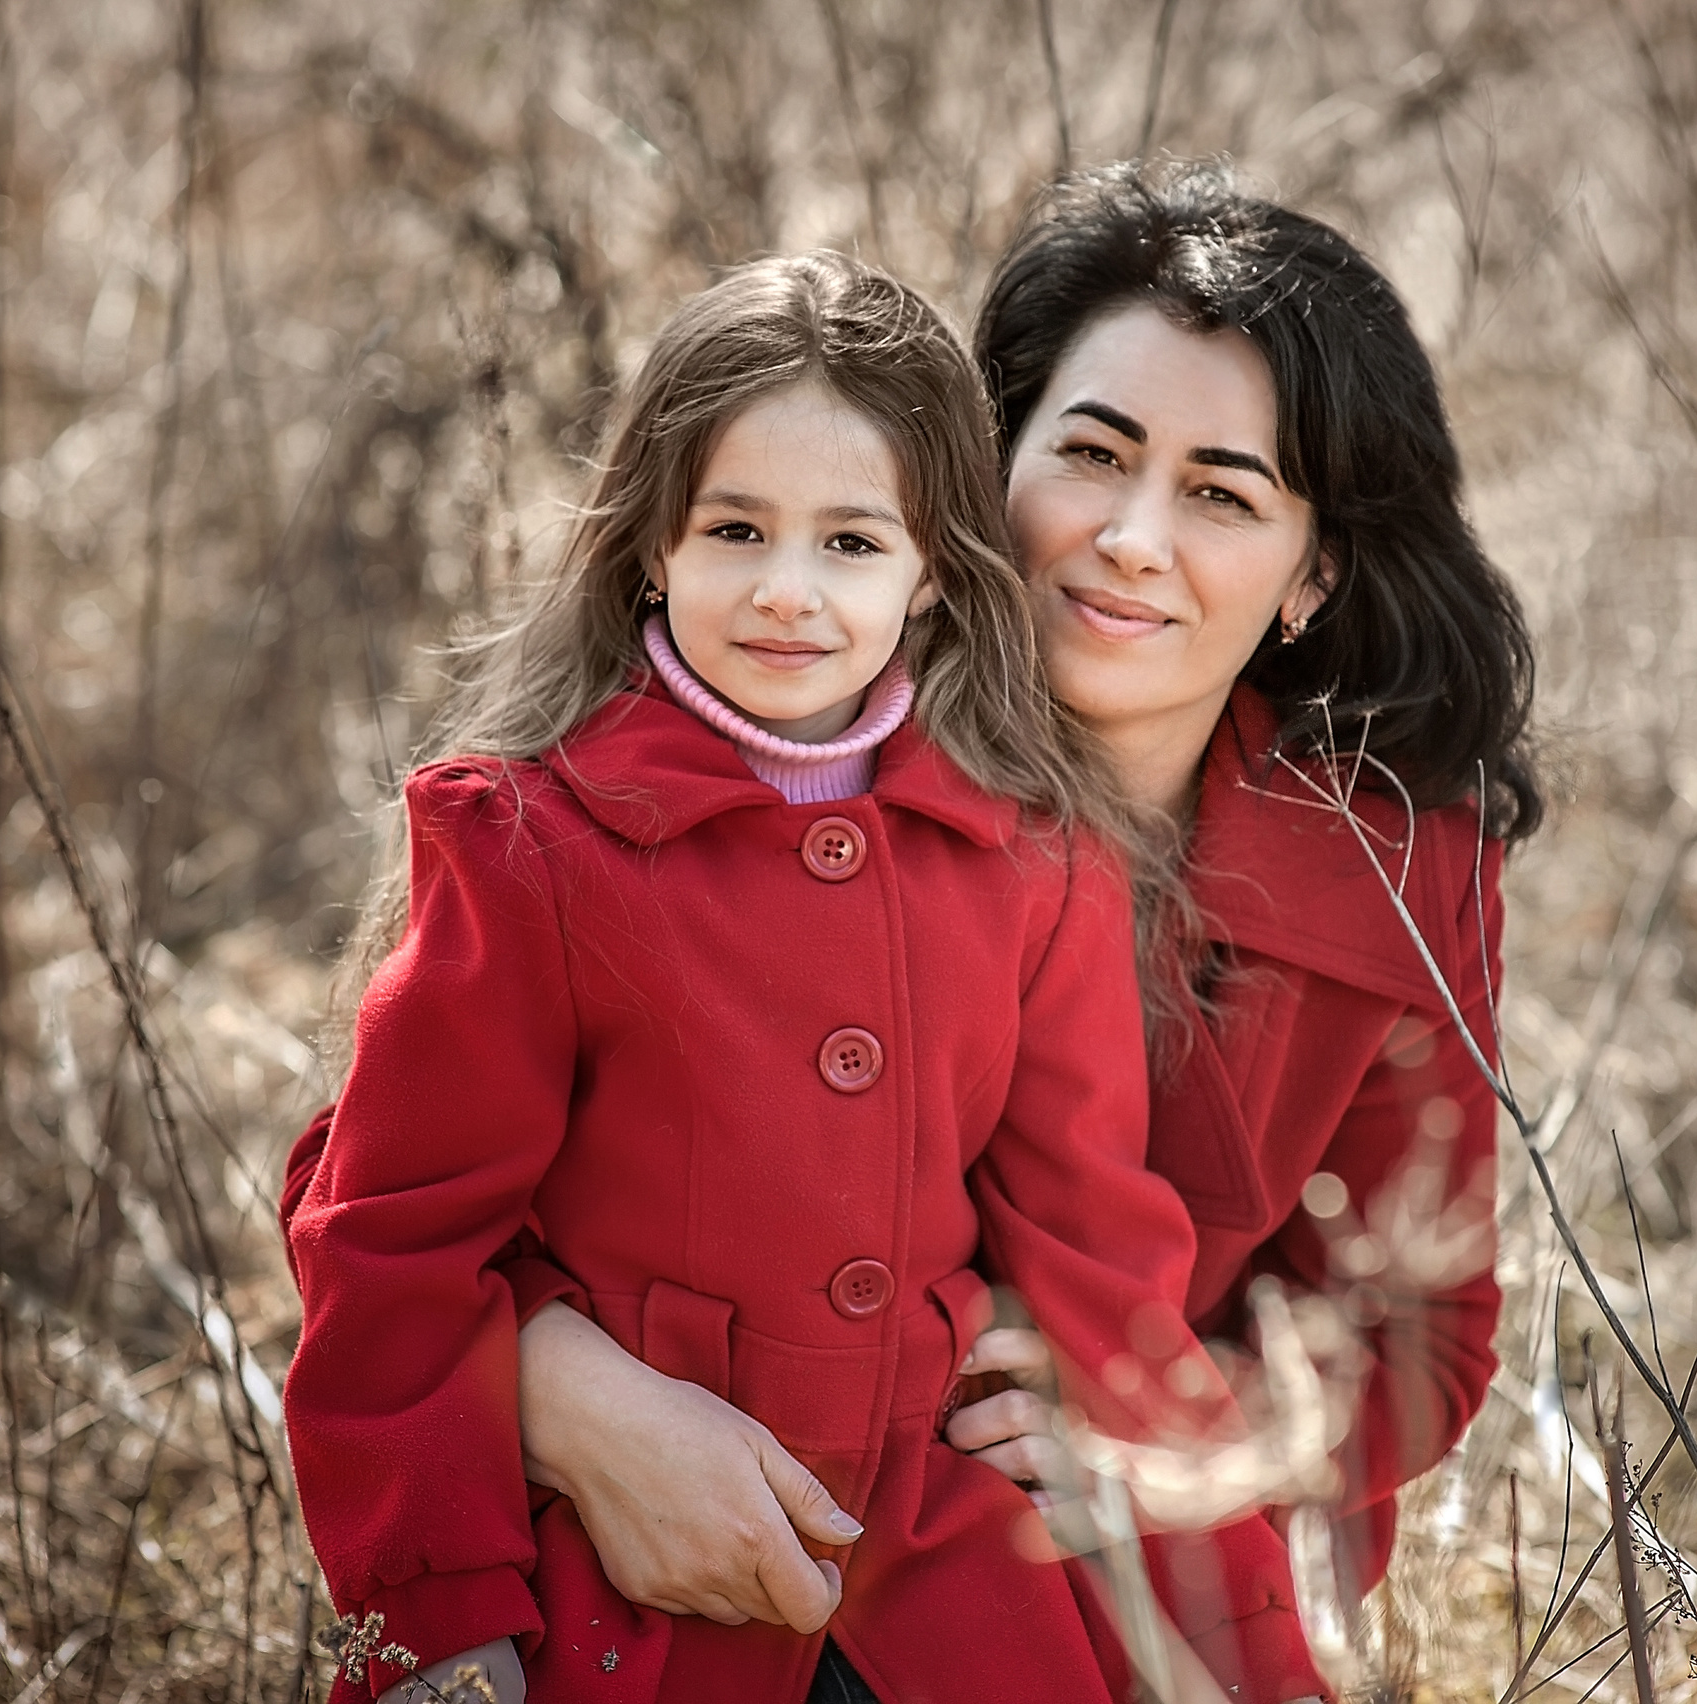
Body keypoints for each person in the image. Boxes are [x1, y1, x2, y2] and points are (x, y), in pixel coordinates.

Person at [436, 161, 1541, 1700]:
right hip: (705, 1528)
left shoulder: (1391, 871)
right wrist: (569, 1393)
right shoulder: (755, 741)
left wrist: (1190, 1421)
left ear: (1314, 575)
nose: (1130, 538)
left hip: (1132, 1579)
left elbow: (1423, 1336)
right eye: (1090, 453)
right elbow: (376, 1180)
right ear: (986, 465)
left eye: (1222, 493)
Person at [282, 249, 1313, 1704]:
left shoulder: (1035, 856)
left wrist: (1244, 1640)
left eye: (849, 543)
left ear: (936, 570)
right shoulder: (533, 843)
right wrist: (435, 1628)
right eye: (736, 530)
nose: (787, 592)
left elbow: (1098, 1259)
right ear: (652, 545)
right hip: (619, 1590)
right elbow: (390, 1238)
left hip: (948, 1576)